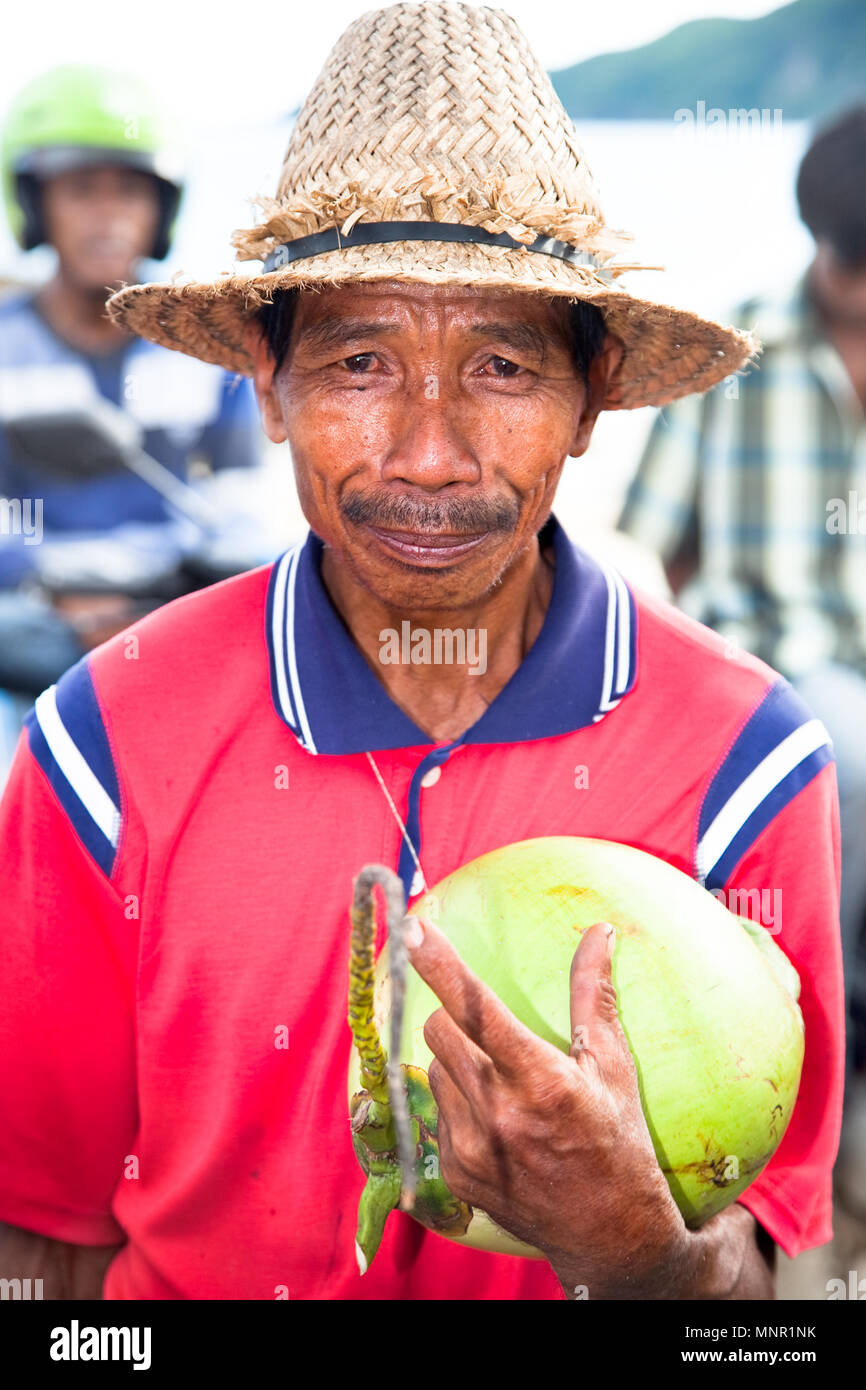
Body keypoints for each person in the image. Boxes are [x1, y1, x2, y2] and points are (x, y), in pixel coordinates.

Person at [0, 2, 844, 1300]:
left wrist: (635, 1250)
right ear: (270, 388)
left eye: (502, 364)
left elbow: (757, 1287)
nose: (430, 452)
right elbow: (44, 1235)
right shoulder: (102, 746)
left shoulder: (744, 759)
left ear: (591, 397)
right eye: (359, 360)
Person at [617, 104, 866, 1216]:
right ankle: (819, 1085)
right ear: (823, 246)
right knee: (843, 759)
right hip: (777, 666)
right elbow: (649, 545)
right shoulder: (739, 353)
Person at [0, 65, 262, 732]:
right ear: (35, 204)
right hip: (29, 630)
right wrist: (55, 591)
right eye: (82, 190)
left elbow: (235, 512)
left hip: (175, 619)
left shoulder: (214, 354)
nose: (109, 215)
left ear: (162, 211)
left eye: (131, 193)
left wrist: (165, 601)